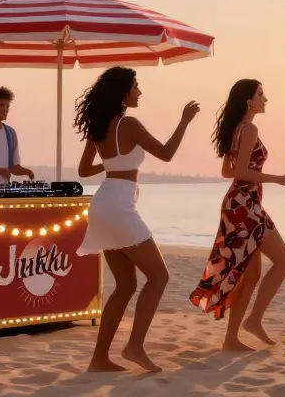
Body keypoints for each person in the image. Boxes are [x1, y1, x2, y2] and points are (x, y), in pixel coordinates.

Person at [74, 67, 198, 373]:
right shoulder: (129, 123)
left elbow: (84, 170)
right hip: (118, 206)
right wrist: (184, 121)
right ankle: (134, 346)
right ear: (124, 93)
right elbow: (167, 154)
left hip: (104, 201)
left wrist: (113, 166)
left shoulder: (99, 126)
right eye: (136, 87)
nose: (139, 92)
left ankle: (99, 359)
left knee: (126, 284)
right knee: (159, 276)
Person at [190, 79, 285, 352]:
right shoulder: (248, 129)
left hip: (238, 203)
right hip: (245, 205)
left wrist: (256, 180)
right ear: (249, 100)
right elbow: (238, 173)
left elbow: (228, 172)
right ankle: (255, 320)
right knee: (284, 261)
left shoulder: (235, 129)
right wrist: (278, 178)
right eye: (261, 94)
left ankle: (231, 339)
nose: (265, 99)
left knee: (252, 275)